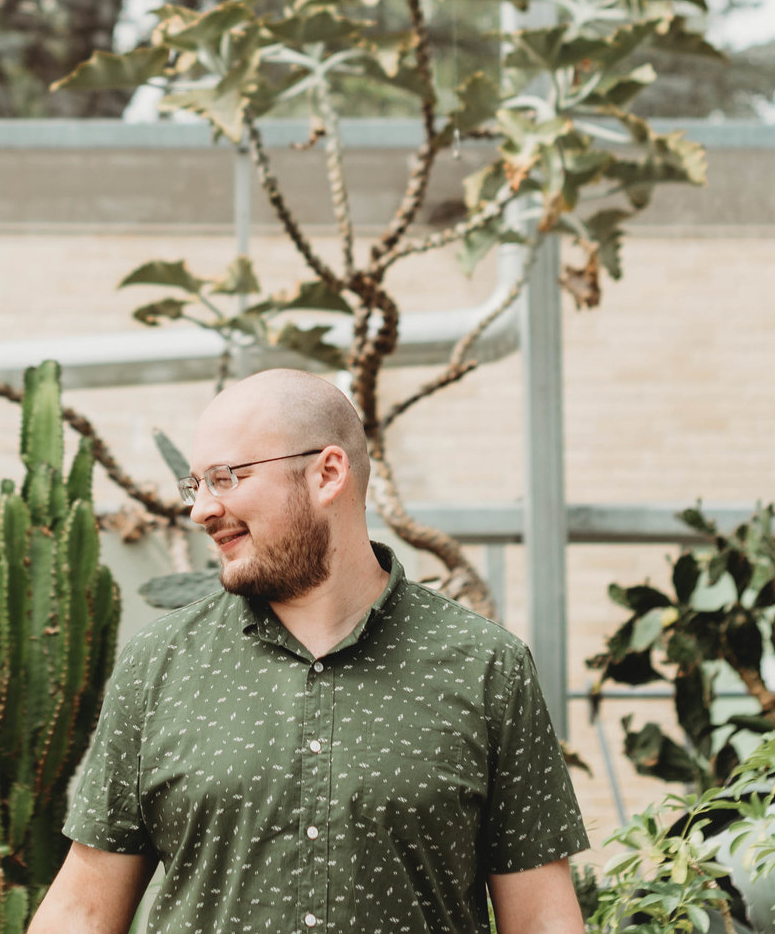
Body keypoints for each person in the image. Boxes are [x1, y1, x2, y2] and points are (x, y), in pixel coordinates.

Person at [30, 369, 590, 934]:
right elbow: (83, 910)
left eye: (224, 478)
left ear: (327, 473)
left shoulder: (488, 667)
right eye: (195, 485)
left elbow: (542, 920)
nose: (200, 510)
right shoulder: (158, 664)